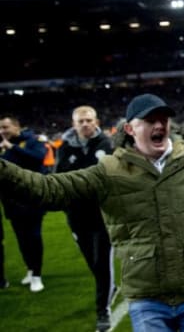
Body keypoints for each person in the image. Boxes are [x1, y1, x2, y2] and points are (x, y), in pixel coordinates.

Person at [0, 94, 184, 332]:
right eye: (150, 120)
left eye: (163, 119)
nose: (159, 125)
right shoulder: (110, 170)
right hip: (147, 298)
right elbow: (50, 188)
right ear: (129, 128)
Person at [54, 105, 116, 332]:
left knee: (101, 263)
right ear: (74, 124)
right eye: (81, 121)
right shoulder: (64, 148)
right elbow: (59, 179)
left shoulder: (107, 144)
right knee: (92, 262)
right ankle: (110, 289)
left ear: (96, 121)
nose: (85, 124)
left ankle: (103, 310)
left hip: (102, 215)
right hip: (77, 216)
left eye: (89, 120)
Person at [0, 115, 47, 293]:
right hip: (11, 202)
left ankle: (37, 275)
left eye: (6, 127)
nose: (3, 131)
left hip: (31, 198)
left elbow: (37, 158)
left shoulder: (33, 140)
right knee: (21, 238)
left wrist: (11, 147)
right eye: (1, 128)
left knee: (33, 236)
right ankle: (30, 269)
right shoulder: (3, 147)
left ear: (16, 126)